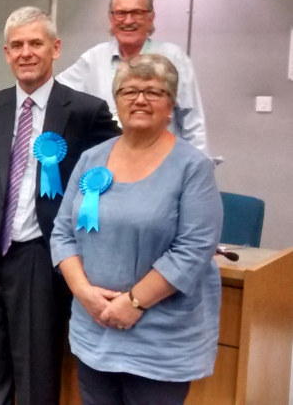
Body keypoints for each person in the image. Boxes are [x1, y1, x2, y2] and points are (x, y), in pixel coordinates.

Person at [0, 7, 120, 404]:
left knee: (36, 373)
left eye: (36, 44)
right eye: (17, 46)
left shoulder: (84, 111)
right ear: (7, 53)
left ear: (55, 48)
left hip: (42, 261)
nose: (26, 53)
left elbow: (120, 165)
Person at [51, 54, 223, 405]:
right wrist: (84, 293)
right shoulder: (91, 159)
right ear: (116, 101)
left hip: (160, 340)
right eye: (128, 91)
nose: (140, 100)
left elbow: (193, 250)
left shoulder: (193, 167)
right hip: (94, 329)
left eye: (153, 92)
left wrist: (133, 303)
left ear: (171, 104)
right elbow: (63, 234)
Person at [57, 0, 210, 156]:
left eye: (137, 13)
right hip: (106, 164)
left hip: (162, 161)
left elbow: (193, 121)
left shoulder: (174, 57)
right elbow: (57, 94)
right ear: (111, 18)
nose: (128, 21)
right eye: (121, 13)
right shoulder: (94, 58)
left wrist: (200, 166)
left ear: (150, 18)